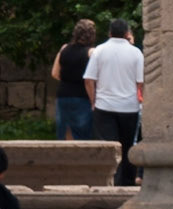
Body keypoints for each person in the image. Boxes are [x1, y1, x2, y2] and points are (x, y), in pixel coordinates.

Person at [85, 18, 144, 186]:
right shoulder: (136, 53)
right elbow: (140, 83)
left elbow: (89, 79)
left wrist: (93, 101)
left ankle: (109, 181)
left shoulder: (99, 51)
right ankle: (127, 182)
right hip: (129, 107)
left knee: (108, 147)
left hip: (104, 106)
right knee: (128, 147)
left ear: (110, 33)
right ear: (126, 33)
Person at [50, 19, 96, 140]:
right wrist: (93, 100)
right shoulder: (91, 52)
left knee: (64, 132)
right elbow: (90, 79)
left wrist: (68, 80)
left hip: (63, 95)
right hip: (82, 96)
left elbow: (54, 73)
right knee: (82, 134)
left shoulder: (64, 48)